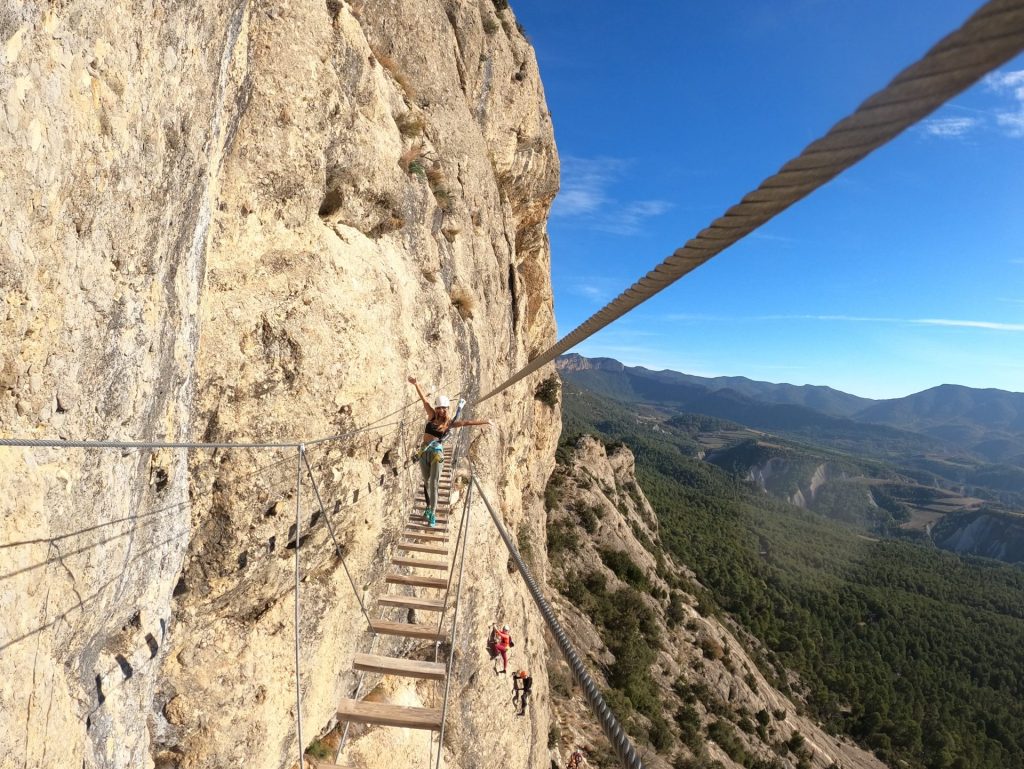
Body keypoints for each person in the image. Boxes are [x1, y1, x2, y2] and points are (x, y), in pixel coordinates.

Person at [409, 376, 489, 526]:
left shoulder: (449, 423)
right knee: (426, 482)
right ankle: (428, 507)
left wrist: (485, 421)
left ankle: (432, 512)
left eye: (443, 408)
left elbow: (466, 422)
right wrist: (416, 384)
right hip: (423, 451)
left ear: (446, 409)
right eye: (438, 407)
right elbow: (424, 400)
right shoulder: (431, 416)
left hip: (437, 453)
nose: (440, 410)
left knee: (434, 482)